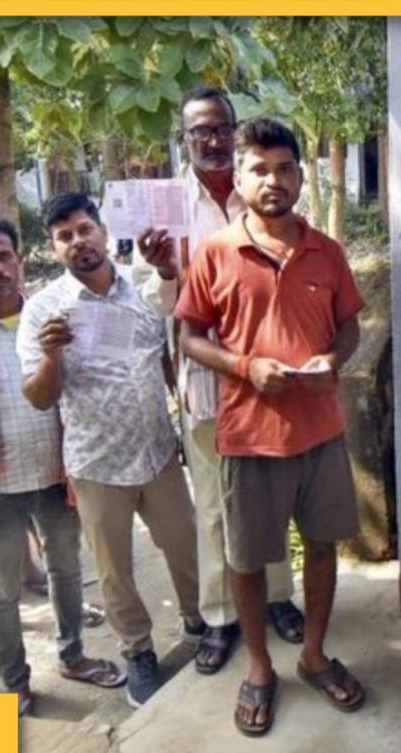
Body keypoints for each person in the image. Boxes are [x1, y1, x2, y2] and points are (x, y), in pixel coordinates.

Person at [175, 118, 367, 736]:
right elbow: (189, 337)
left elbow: (349, 327)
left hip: (321, 432)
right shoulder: (215, 252)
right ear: (241, 175)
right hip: (248, 435)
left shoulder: (327, 252)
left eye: (285, 168)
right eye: (259, 169)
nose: (273, 180)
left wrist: (331, 360)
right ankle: (258, 666)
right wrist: (244, 367)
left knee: (321, 546)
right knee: (249, 561)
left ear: (301, 177)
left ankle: (313, 654)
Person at [136, 86, 305, 675]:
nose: (211, 140)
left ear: (236, 131)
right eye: (198, 131)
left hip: (268, 380)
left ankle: (280, 598)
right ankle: (219, 616)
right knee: (212, 505)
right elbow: (151, 304)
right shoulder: (165, 207)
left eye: (220, 128)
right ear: (183, 140)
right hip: (207, 385)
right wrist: (163, 272)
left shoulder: (261, 187)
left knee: (272, 500)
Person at [16, 195, 202, 708]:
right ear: (55, 249)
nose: (79, 241)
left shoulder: (139, 291)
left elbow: (166, 353)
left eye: (84, 229)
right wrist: (53, 355)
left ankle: (199, 622)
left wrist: (184, 426)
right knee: (115, 569)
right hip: (98, 463)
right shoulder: (43, 311)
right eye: (65, 236)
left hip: (158, 452)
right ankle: (138, 651)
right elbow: (38, 397)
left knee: (185, 545)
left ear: (101, 231)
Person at [0, 218, 126, 716]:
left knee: (67, 572)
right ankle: (15, 679)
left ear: (20, 258)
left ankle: (73, 656)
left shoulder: (51, 314)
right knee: (1, 593)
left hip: (57, 474)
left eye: (3, 256)